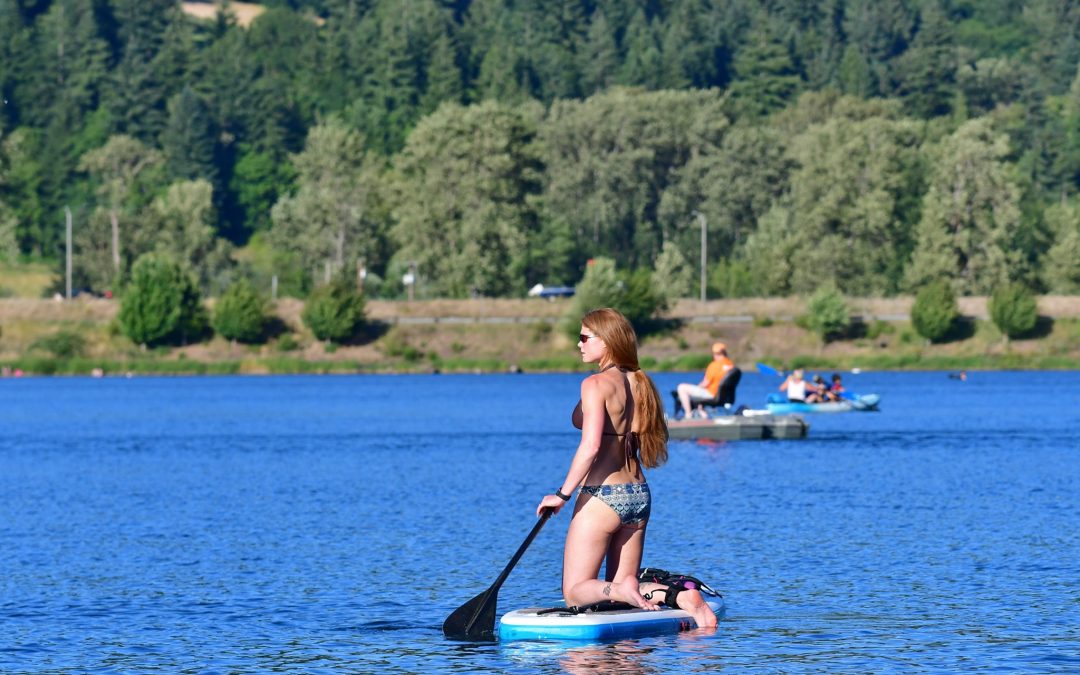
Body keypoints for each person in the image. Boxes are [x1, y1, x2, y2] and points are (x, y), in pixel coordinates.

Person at [535, 308, 717, 629]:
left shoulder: (595, 384)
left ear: (606, 342)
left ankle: (624, 588)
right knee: (622, 594)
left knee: (576, 592)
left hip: (602, 497)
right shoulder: (641, 382)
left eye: (584, 338)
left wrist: (561, 495)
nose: (578, 345)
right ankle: (679, 597)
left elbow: (590, 446)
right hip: (638, 495)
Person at [675, 343, 734, 419]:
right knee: (697, 394)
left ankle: (688, 415)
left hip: (711, 394)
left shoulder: (714, 365)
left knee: (681, 387)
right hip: (723, 396)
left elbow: (705, 383)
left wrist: (696, 388)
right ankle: (702, 413)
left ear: (715, 353)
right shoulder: (730, 365)